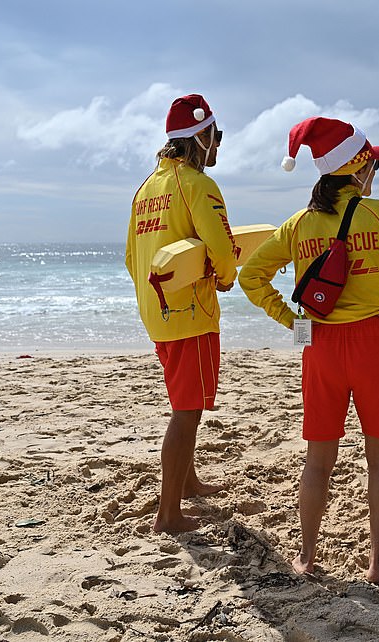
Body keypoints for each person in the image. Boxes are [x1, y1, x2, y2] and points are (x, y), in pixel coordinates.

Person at [238, 117, 379, 582]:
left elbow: (251, 276)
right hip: (378, 342)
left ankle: (307, 558)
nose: (376, 173)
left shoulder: (298, 225)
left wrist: (291, 320)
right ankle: (377, 564)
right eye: (373, 164)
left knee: (317, 461)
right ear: (357, 169)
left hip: (321, 345)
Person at [125, 94, 237, 534]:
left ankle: (187, 483)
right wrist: (225, 278)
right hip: (191, 312)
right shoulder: (198, 185)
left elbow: (132, 257)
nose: (219, 147)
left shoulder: (145, 189)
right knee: (188, 409)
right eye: (218, 136)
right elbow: (222, 248)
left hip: (158, 312)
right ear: (201, 136)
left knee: (182, 400)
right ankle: (168, 514)